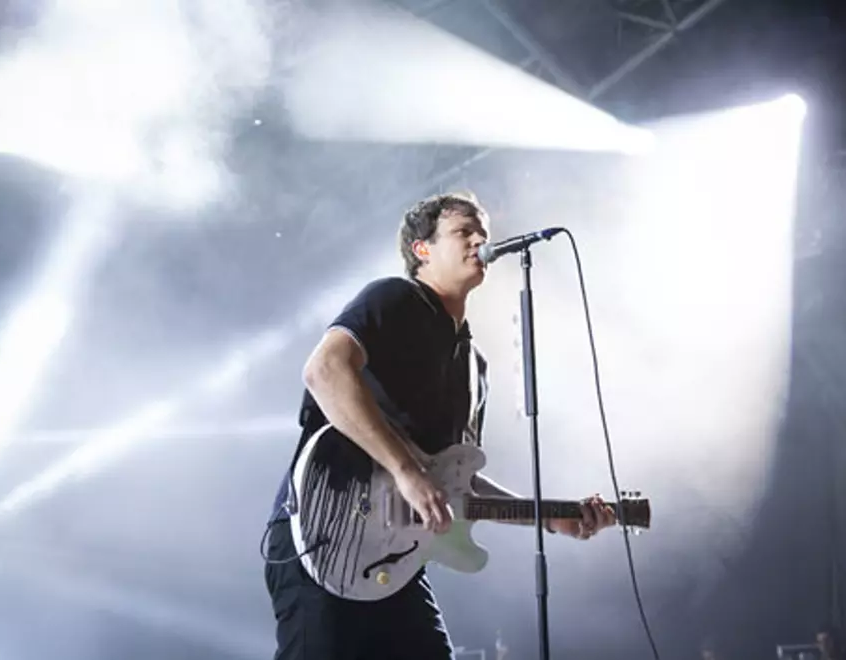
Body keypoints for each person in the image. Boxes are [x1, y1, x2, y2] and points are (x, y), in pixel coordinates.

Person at [263, 191, 616, 659]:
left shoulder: (475, 367)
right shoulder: (394, 298)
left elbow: (454, 478)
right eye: (462, 232)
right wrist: (407, 473)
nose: (479, 241)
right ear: (422, 250)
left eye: (482, 233)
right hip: (325, 533)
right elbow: (324, 371)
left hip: (394, 561)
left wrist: (547, 516)